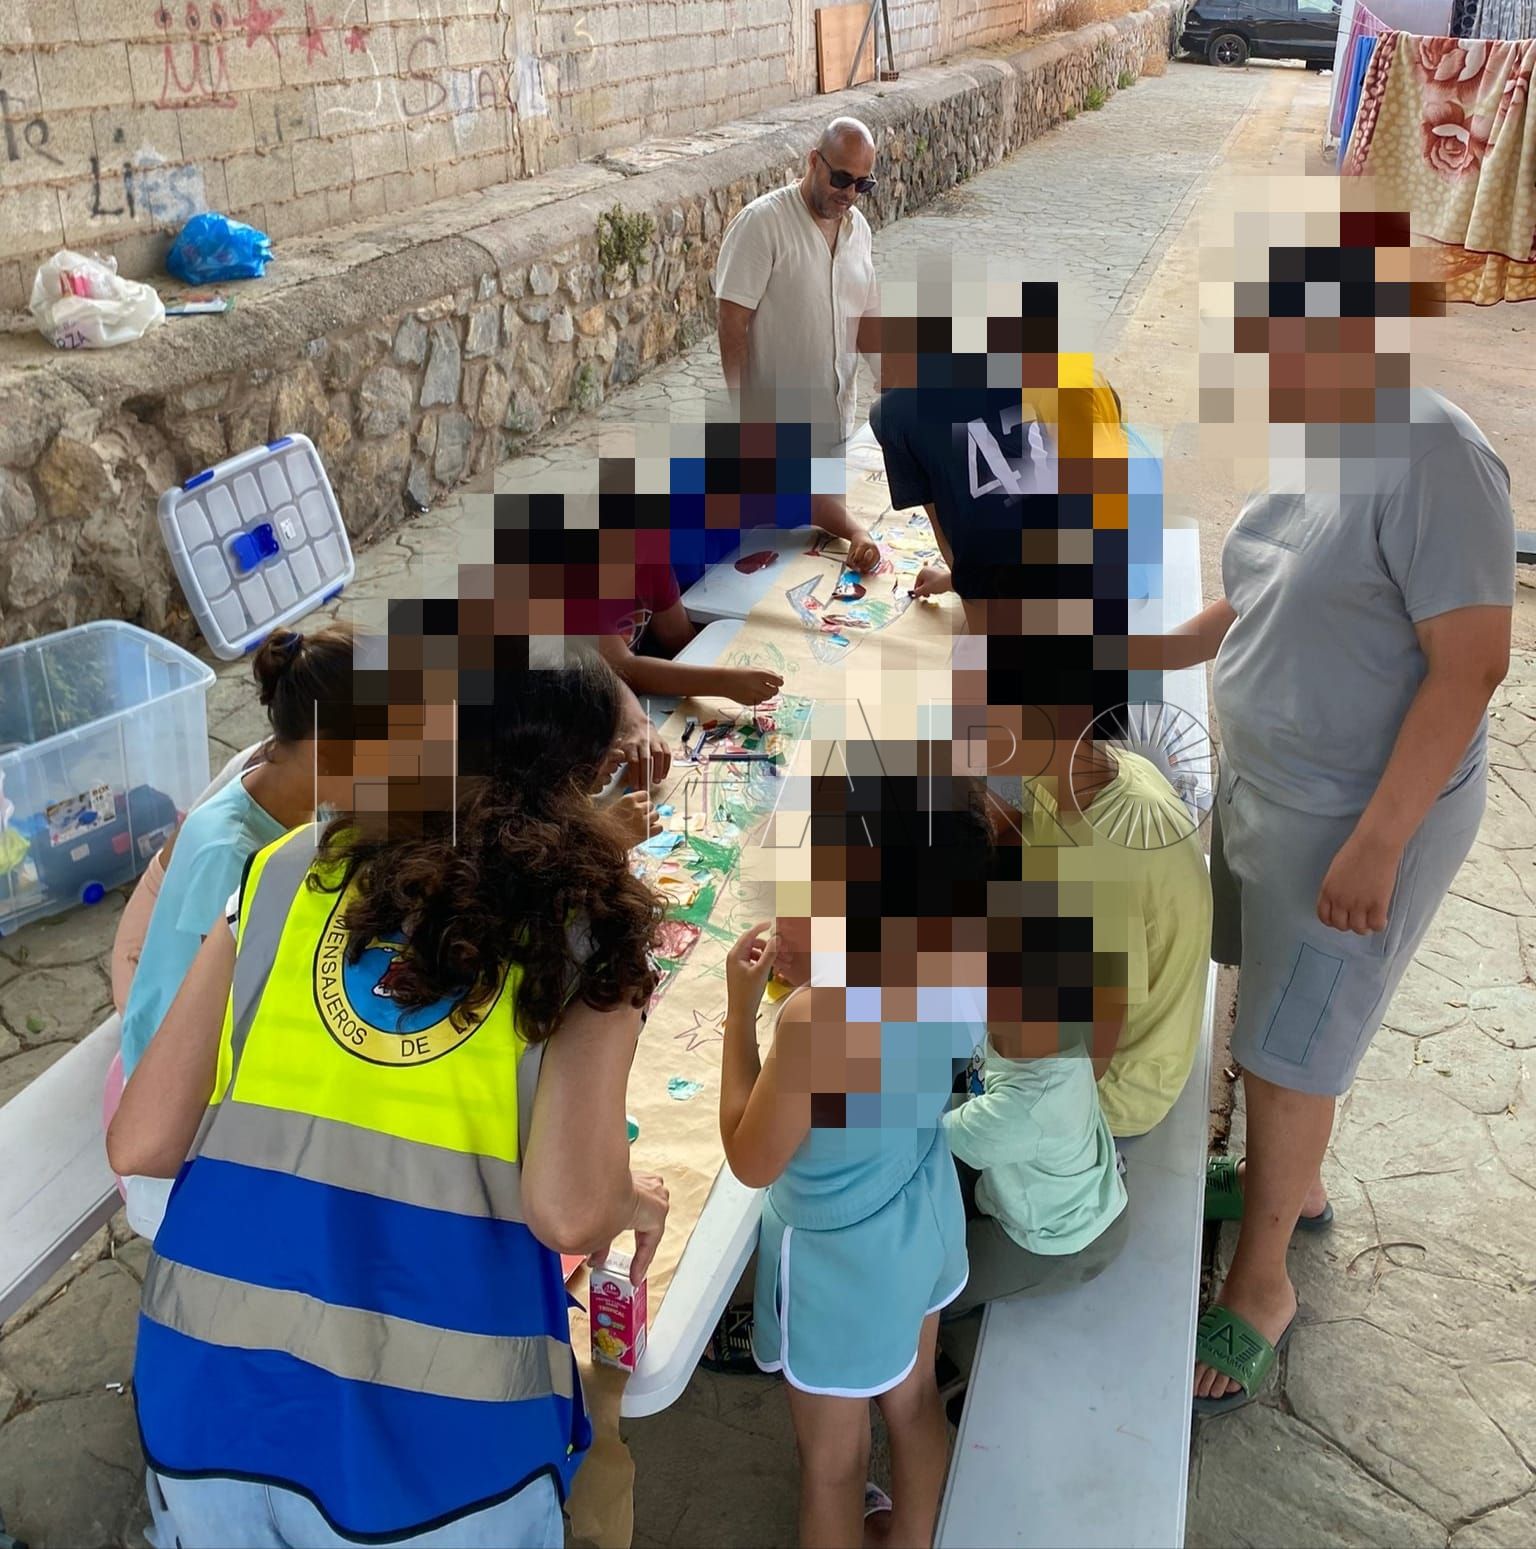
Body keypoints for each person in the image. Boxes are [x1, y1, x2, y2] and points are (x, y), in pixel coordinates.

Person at [107, 647, 671, 1548]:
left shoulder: (291, 865)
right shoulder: (591, 927)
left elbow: (139, 1140)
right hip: (441, 1451)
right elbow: (571, 1212)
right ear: (585, 777)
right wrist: (632, 1199)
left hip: (207, 1397)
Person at [1135, 218, 1514, 1411]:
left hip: (1356, 810)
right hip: (1274, 787)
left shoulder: (1437, 458)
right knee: (1283, 1003)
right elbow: (1252, 597)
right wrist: (1135, 647)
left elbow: (1472, 665)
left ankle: (1261, 1286)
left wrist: (1380, 841)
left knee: (1290, 1040)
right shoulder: (1323, 435)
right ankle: (1288, 1185)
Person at [719, 751, 988, 1549]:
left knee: (833, 1465)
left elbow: (749, 1158)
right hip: (921, 1215)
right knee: (914, 1399)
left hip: (841, 1268)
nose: (785, 909)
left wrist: (739, 1017)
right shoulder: (956, 959)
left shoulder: (814, 1021)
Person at [109, 625, 357, 1239]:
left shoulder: (301, 791)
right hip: (176, 1112)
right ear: (329, 750)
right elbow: (221, 1031)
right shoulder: (231, 853)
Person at [715, 117, 884, 560]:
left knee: (818, 553)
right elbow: (732, 325)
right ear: (813, 161)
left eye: (862, 185)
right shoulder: (762, 224)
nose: (849, 193)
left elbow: (867, 314)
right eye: (841, 179)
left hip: (835, 425)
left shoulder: (859, 231)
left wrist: (895, 381)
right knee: (763, 555)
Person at [940, 989, 1130, 1320]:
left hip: (1058, 1242)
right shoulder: (1044, 1041)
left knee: (938, 1286)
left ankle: (947, 1337)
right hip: (1054, 1191)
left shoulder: (1029, 1105)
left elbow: (926, 1137)